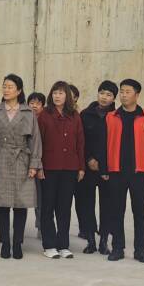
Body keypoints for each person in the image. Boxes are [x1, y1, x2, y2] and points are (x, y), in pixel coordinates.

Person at [0, 74, 43, 260]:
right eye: (4, 86)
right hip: (0, 158)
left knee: (20, 204)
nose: (6, 89)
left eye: (10, 87)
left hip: (22, 160)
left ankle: (17, 243)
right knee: (2, 204)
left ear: (19, 90)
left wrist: (34, 164)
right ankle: (5, 243)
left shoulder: (28, 112)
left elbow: (35, 140)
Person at [101, 79, 144, 263]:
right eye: (122, 91)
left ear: (137, 94)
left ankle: (140, 250)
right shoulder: (111, 117)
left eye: (128, 92)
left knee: (139, 212)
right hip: (116, 171)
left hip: (139, 173)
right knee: (116, 211)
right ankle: (117, 248)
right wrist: (104, 168)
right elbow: (103, 145)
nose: (123, 95)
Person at [37, 81, 84, 259]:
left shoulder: (74, 115)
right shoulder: (44, 115)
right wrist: (38, 166)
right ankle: (49, 245)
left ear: (68, 97)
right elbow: (38, 143)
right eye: (55, 93)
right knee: (47, 206)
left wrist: (81, 167)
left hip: (70, 167)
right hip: (49, 167)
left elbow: (80, 142)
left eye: (61, 93)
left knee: (64, 207)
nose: (57, 96)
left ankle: (63, 245)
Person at [79, 80, 117, 254]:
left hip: (107, 169)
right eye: (102, 93)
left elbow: (115, 144)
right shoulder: (85, 114)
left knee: (107, 205)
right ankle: (91, 241)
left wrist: (102, 162)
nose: (104, 97)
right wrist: (89, 159)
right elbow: (81, 140)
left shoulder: (116, 116)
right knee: (87, 204)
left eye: (109, 95)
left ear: (114, 98)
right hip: (88, 168)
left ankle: (103, 241)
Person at [27, 92, 47, 238]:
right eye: (32, 103)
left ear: (43, 106)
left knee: (41, 198)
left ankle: (41, 226)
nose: (34, 106)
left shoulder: (45, 120)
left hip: (41, 164)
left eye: (38, 103)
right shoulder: (24, 118)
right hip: (25, 163)